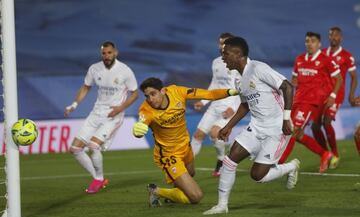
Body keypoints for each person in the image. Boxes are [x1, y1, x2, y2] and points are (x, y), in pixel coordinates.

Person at [203, 37, 299, 215]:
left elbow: (288, 87)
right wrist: (229, 126)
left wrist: (287, 119)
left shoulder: (258, 68)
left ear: (238, 54)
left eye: (226, 53)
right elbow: (245, 105)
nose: (223, 57)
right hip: (256, 127)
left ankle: (291, 167)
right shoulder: (239, 80)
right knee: (229, 160)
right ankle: (222, 205)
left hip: (276, 129)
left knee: (257, 176)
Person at [132, 77, 239, 206]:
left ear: (163, 91)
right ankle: (156, 191)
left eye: (153, 94)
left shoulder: (177, 92)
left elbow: (209, 94)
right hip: (169, 155)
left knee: (191, 173)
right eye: (147, 96)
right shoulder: (146, 109)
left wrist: (230, 91)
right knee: (195, 197)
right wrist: (138, 130)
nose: (150, 99)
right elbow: (142, 123)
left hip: (185, 146)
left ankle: (173, 193)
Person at [64, 41, 138, 194]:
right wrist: (74, 105)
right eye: (104, 53)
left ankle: (98, 179)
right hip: (96, 113)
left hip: (114, 115)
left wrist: (120, 108)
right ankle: (98, 178)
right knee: (75, 148)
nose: (106, 56)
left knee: (93, 146)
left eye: (109, 53)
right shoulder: (94, 69)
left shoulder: (125, 70)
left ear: (115, 53)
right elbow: (86, 87)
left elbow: (135, 93)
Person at [278, 32, 342, 173]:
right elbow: (294, 80)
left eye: (313, 41)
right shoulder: (299, 59)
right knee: (296, 133)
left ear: (319, 44)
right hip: (297, 100)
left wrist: (332, 95)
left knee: (292, 131)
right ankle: (325, 154)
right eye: (307, 41)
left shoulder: (326, 59)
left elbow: (339, 78)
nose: (309, 43)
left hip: (311, 102)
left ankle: (279, 162)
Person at [191, 32, 240, 177]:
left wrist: (234, 108)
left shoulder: (238, 62)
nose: (221, 46)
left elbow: (241, 87)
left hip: (229, 106)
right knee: (198, 135)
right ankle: (187, 164)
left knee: (215, 133)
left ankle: (221, 161)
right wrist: (204, 100)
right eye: (220, 43)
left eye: (224, 43)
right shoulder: (216, 62)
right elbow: (215, 84)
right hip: (215, 106)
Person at [311, 27, 358, 169]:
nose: (333, 38)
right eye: (331, 35)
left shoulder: (346, 56)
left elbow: (354, 77)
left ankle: (335, 154)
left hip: (337, 95)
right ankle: (326, 153)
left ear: (341, 38)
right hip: (321, 95)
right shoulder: (322, 54)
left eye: (336, 36)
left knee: (326, 122)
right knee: (314, 127)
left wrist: (351, 95)